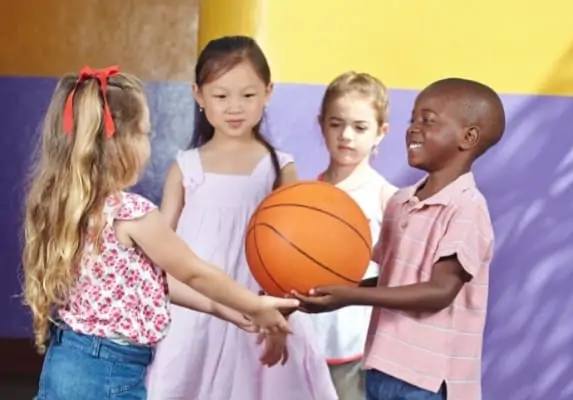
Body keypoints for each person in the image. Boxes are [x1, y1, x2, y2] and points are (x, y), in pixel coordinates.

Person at [21, 65, 298, 400]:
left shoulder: (67, 206)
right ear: (119, 143)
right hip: (110, 373)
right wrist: (255, 304)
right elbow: (194, 272)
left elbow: (152, 282)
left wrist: (224, 309)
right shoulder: (133, 214)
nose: (148, 146)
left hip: (66, 360)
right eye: (144, 134)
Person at [145, 36, 337, 400]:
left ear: (268, 92)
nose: (235, 107)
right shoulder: (185, 168)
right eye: (221, 96)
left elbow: (295, 254)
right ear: (198, 95)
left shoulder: (279, 166)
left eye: (248, 95)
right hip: (195, 311)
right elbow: (160, 250)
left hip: (261, 309)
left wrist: (282, 318)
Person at [295, 78, 507, 400]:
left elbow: (440, 291)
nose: (414, 129)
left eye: (428, 121)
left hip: (429, 380)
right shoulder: (401, 202)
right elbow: (391, 280)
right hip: (382, 366)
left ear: (468, 137)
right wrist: (334, 295)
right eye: (413, 119)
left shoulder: (467, 208)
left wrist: (350, 297)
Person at [311, 71, 397, 399]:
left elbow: (397, 277)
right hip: (305, 340)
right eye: (336, 123)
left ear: (380, 133)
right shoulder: (303, 196)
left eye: (360, 127)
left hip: (357, 345)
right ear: (322, 124)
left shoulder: (386, 198)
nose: (346, 135)